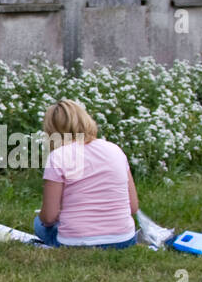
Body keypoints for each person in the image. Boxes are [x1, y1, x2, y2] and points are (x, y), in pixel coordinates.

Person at [34, 99, 138, 249]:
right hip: (123, 240)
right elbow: (132, 207)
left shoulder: (58, 156)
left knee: (38, 223)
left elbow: (49, 217)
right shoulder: (115, 150)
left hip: (75, 243)